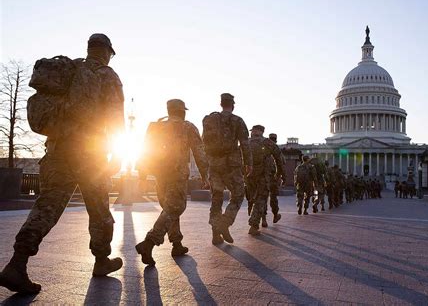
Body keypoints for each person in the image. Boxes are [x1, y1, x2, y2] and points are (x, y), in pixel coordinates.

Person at [0, 34, 125, 294]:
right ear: (107, 52)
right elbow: (115, 117)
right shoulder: (107, 75)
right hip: (91, 154)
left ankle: (17, 263)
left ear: (89, 49)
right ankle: (101, 260)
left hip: (57, 152)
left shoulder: (70, 70)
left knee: (47, 206)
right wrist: (118, 153)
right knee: (100, 211)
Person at [135, 99, 209, 265]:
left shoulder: (155, 126)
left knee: (169, 208)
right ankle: (149, 242)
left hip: (159, 174)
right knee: (176, 207)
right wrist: (205, 175)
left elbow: (144, 150)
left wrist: (142, 175)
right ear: (182, 111)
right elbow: (200, 152)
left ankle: (176, 244)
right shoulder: (187, 127)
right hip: (177, 174)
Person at [202, 93, 252, 245]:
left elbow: (204, 141)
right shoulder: (237, 120)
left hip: (213, 164)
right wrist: (248, 163)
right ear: (233, 104)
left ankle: (216, 235)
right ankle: (225, 223)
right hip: (231, 165)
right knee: (238, 194)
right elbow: (244, 143)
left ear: (221, 103)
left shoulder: (209, 119)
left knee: (216, 198)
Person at [247, 125, 284, 235]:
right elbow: (279, 159)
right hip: (263, 176)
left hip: (248, 176)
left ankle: (259, 219)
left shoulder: (245, 142)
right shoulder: (268, 143)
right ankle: (254, 225)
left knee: (254, 199)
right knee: (261, 199)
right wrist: (279, 174)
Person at [261, 133, 286, 227]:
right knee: (273, 198)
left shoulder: (263, 150)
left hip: (263, 177)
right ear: (276, 140)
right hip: (273, 178)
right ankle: (275, 215)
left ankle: (263, 219)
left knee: (263, 198)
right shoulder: (276, 150)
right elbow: (281, 164)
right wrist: (283, 177)